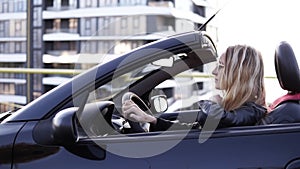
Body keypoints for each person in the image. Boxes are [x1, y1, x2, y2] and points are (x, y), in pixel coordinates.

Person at [122, 45, 267, 131]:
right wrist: (151, 120)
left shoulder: (253, 112)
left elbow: (212, 117)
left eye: (221, 66)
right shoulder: (237, 109)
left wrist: (214, 101)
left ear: (238, 74)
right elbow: (193, 131)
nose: (214, 71)